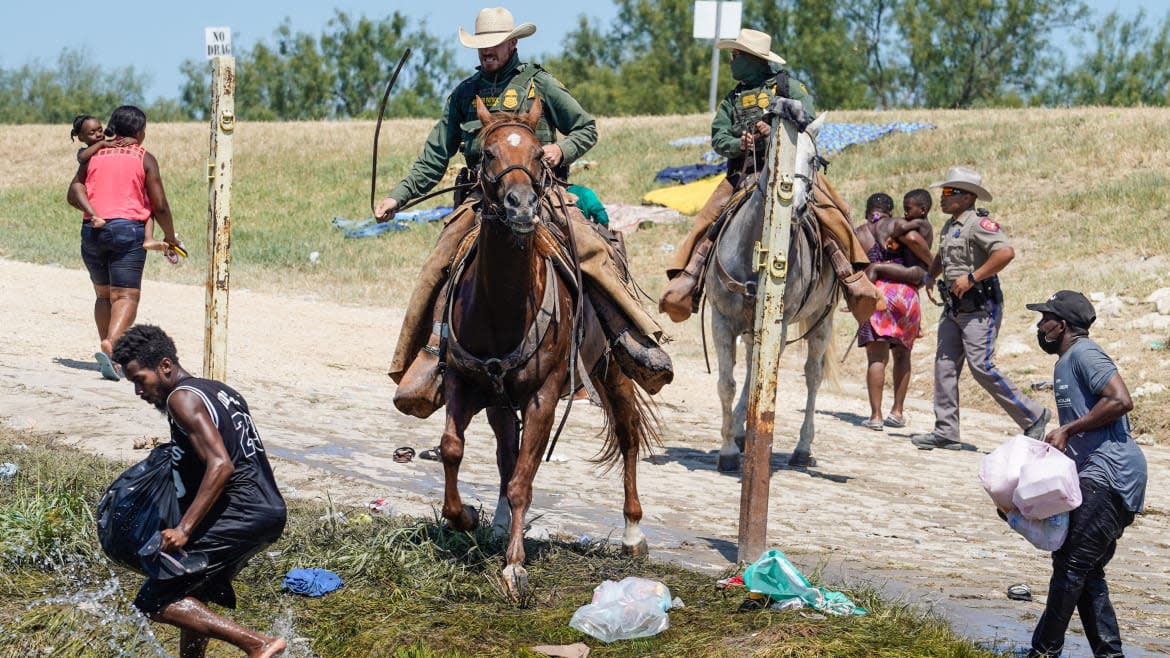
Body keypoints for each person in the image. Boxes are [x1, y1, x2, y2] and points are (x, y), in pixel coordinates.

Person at [373, 7, 671, 418]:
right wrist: (398, 197)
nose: (486, 53)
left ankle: (629, 338)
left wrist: (559, 149)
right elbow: (433, 158)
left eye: (493, 45)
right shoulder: (464, 94)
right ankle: (425, 356)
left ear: (513, 43)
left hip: (541, 194)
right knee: (439, 261)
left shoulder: (540, 84)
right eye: (480, 47)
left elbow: (586, 127)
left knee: (590, 248)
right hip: (482, 201)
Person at [658, 28, 881, 325]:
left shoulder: (787, 85)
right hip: (744, 173)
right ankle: (689, 280)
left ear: (753, 59)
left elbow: (809, 120)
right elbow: (718, 136)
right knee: (706, 218)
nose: (731, 62)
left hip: (793, 169)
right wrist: (739, 144)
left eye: (736, 56)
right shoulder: (731, 99)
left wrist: (775, 124)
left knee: (835, 213)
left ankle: (852, 279)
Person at [112, 324, 288, 658]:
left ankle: (259, 644)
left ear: (166, 366)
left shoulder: (182, 398)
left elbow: (222, 464)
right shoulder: (221, 391)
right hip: (267, 509)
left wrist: (184, 528)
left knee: (154, 600)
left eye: (139, 380)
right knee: (194, 590)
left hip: (240, 511)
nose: (138, 392)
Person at [1023, 290, 1147, 658]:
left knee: (1072, 565)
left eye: (1045, 318)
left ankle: (1044, 652)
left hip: (1112, 475)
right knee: (1087, 572)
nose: (1039, 325)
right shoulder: (1065, 361)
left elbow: (1121, 400)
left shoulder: (1085, 353)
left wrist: (1068, 429)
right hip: (1096, 475)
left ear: (1061, 325)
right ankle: (1109, 655)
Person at [909, 166, 1050, 450]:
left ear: (968, 197)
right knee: (944, 366)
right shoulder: (950, 225)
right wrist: (930, 275)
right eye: (943, 192)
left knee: (981, 366)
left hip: (980, 307)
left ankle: (1033, 415)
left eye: (950, 192)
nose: (943, 198)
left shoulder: (980, 225)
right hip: (954, 307)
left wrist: (973, 277)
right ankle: (946, 430)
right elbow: (943, 253)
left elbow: (1005, 252)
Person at [66, 106, 180, 381]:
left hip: (92, 230)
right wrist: (170, 236)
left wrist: (94, 213)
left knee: (104, 295)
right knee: (126, 296)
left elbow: (72, 194)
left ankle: (109, 355)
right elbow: (160, 205)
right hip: (127, 230)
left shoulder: (93, 155)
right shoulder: (144, 157)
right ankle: (112, 345)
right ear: (140, 132)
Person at [853, 192, 933, 430]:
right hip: (905, 294)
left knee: (877, 357)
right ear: (891, 210)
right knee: (902, 354)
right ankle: (897, 412)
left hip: (875, 293)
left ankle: (875, 416)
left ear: (868, 211)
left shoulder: (859, 233)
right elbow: (913, 240)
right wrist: (932, 265)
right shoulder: (896, 224)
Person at [71, 114, 174, 258]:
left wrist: (132, 141)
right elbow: (161, 207)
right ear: (81, 137)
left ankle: (148, 238)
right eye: (92, 133)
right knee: (147, 208)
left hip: (93, 233)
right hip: (128, 228)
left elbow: (71, 197)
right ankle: (147, 238)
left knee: (101, 282)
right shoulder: (87, 154)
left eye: (100, 130)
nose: (98, 135)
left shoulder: (98, 154)